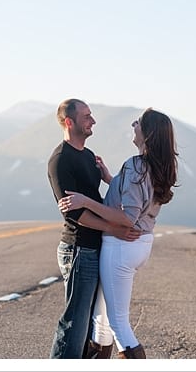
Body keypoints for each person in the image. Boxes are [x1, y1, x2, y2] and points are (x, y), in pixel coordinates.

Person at [58, 107, 179, 359]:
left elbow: (127, 217)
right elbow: (137, 198)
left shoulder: (136, 166)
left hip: (121, 247)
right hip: (139, 245)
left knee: (118, 324)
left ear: (147, 133)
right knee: (101, 319)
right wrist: (112, 179)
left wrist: (86, 202)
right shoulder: (154, 167)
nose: (134, 123)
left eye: (139, 122)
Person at [47, 98, 140, 359]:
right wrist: (114, 228)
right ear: (69, 122)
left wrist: (108, 178)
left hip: (94, 247)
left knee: (89, 323)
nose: (93, 121)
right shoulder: (60, 161)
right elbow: (76, 213)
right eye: (86, 116)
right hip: (78, 249)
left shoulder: (88, 156)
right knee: (75, 323)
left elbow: (97, 201)